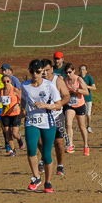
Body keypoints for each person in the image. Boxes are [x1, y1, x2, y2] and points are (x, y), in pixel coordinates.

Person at [20, 59, 65, 193]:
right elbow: (23, 98)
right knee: (31, 149)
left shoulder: (49, 86)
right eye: (32, 71)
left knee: (46, 154)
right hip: (32, 121)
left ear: (42, 72)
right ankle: (36, 177)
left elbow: (58, 105)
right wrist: (23, 110)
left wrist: (45, 105)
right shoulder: (25, 85)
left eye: (38, 71)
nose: (35, 74)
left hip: (47, 121)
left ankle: (48, 182)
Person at [40, 59, 70, 175]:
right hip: (42, 116)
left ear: (52, 69)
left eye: (47, 70)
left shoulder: (57, 81)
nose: (45, 73)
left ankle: (60, 165)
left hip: (57, 116)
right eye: (42, 70)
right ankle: (44, 158)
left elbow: (66, 96)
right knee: (40, 141)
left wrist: (59, 105)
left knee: (58, 142)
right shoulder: (38, 81)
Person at [62, 63, 90, 156]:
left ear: (73, 71)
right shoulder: (65, 80)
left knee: (81, 126)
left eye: (70, 72)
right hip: (70, 105)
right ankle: (70, 145)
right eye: (66, 73)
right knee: (68, 123)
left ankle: (86, 146)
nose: (68, 74)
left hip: (80, 105)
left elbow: (86, 92)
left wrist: (77, 89)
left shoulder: (79, 79)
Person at [0, 73, 22, 155]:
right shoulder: (0, 91)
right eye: (4, 82)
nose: (6, 83)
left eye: (7, 81)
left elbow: (21, 99)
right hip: (5, 114)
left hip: (15, 113)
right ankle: (13, 150)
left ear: (10, 82)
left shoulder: (15, 90)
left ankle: (19, 139)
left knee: (14, 133)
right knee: (7, 132)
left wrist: (17, 104)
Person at [79, 64, 96, 134]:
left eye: (83, 70)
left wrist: (87, 86)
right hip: (80, 99)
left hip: (88, 98)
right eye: (80, 69)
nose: (82, 71)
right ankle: (82, 127)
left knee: (88, 114)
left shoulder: (89, 78)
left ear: (86, 71)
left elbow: (94, 88)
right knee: (81, 115)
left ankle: (88, 126)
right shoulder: (77, 78)